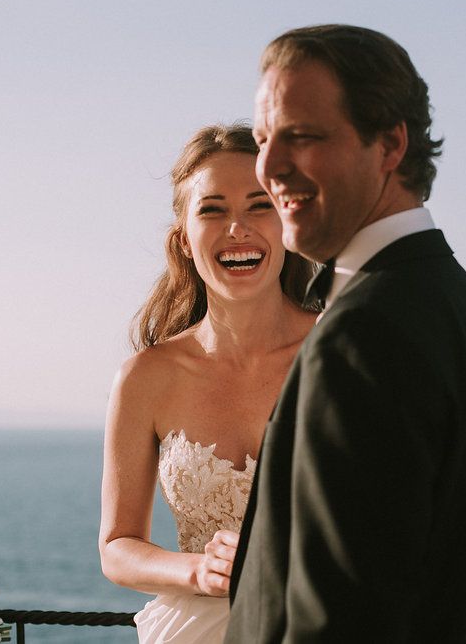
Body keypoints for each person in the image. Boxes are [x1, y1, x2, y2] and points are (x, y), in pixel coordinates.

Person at [225, 25, 466, 642]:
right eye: (264, 139)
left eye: (303, 137)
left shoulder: (364, 335)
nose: (270, 167)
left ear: (390, 144)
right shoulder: (462, 306)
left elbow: (339, 619)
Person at [98, 123, 318, 643]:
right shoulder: (145, 377)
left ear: (288, 220)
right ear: (184, 237)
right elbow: (118, 546)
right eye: (212, 209)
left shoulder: (344, 355)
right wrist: (197, 570)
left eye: (259, 205)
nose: (237, 228)